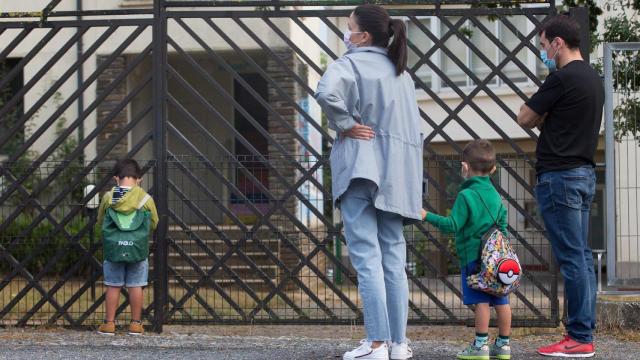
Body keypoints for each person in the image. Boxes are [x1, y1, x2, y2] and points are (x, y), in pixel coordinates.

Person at [314, 4, 423, 360]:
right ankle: (398, 344)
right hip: (398, 175)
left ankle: (375, 343)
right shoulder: (402, 74)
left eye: (349, 28)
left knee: (366, 257)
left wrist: (345, 123)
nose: (346, 34)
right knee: (393, 256)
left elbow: (326, 92)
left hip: (361, 168)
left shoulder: (350, 63)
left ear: (363, 36)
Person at [517, 15, 603, 359]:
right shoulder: (594, 79)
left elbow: (525, 116)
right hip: (583, 174)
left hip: (560, 177)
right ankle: (583, 332)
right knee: (581, 257)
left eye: (542, 46)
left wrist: (543, 114)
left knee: (571, 259)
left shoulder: (561, 78)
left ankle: (579, 337)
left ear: (557, 42)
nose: (543, 52)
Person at [422, 139, 512, 360]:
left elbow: (452, 225)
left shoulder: (465, 195)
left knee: (481, 302)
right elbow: (502, 227)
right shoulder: (495, 195)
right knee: (501, 300)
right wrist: (500, 253)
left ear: (464, 166)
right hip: (498, 259)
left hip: (474, 258)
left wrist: (426, 215)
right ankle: (503, 346)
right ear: (493, 169)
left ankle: (480, 346)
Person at [96, 159, 158, 336]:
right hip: (137, 248)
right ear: (139, 178)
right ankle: (136, 325)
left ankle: (109, 324)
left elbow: (101, 221)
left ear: (117, 178)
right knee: (136, 285)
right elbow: (154, 222)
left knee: (113, 285)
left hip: (114, 248)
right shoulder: (145, 198)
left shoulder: (109, 197)